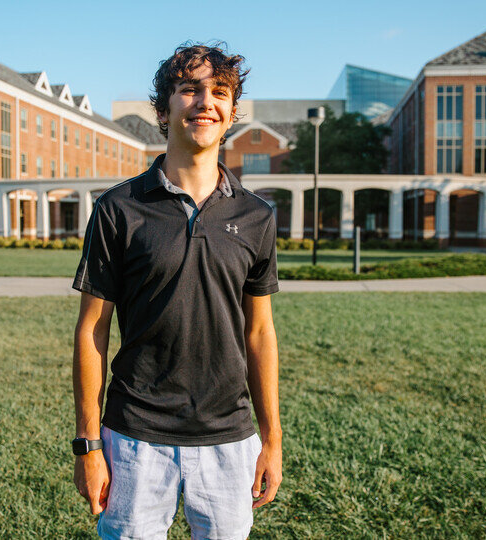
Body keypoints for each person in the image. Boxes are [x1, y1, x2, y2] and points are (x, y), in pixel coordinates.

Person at [70, 42, 282, 539]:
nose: (205, 101)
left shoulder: (256, 216)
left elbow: (260, 334)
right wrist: (88, 444)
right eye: (189, 89)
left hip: (230, 440)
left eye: (220, 91)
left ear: (231, 113)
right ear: (164, 110)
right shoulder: (118, 209)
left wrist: (271, 438)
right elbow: (91, 331)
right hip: (133, 436)